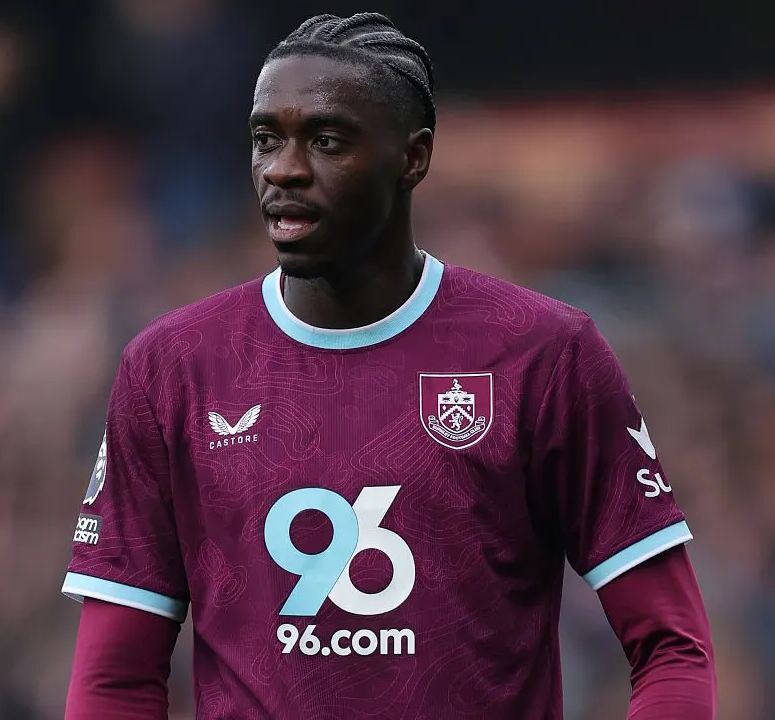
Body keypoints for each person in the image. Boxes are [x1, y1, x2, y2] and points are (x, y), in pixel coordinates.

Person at [63, 12, 715, 719]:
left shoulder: (543, 353)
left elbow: (673, 646)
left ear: (413, 158)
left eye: (327, 140)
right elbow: (115, 678)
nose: (283, 168)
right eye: (265, 139)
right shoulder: (173, 369)